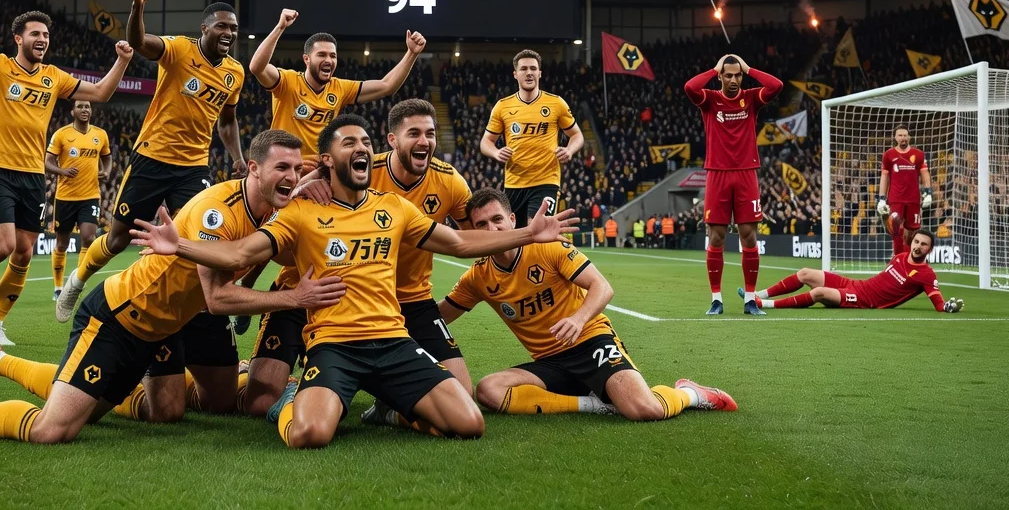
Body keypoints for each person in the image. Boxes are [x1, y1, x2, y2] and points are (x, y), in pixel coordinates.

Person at [128, 114, 581, 449]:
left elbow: (460, 243)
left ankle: (389, 406)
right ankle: (292, 400)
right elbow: (241, 253)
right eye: (349, 142)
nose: (362, 148)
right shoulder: (302, 212)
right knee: (309, 434)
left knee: (469, 424)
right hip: (334, 346)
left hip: (393, 342)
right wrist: (180, 245)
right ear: (327, 159)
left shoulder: (395, 208)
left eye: (366, 141)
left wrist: (530, 232)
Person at [0, 130, 342, 443]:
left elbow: (272, 246)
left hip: (168, 324)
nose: (291, 176)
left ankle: (5, 360)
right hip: (121, 319)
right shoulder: (215, 211)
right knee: (55, 430)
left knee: (177, 410)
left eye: (296, 168)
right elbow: (218, 298)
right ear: (253, 168)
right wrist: (294, 299)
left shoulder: (274, 209)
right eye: (282, 167)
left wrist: (313, 186)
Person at [440, 189, 737, 420]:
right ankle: (594, 405)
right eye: (482, 225)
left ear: (512, 220)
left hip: (590, 341)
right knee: (488, 391)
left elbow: (602, 287)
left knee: (644, 410)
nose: (491, 230)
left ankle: (689, 393)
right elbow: (440, 316)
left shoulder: (547, 247)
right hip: (550, 363)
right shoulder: (478, 276)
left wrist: (579, 319)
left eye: (497, 220)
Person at [0, 0, 134, 346]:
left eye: (46, 34)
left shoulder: (54, 76)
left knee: (24, 251)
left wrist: (123, 61)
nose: (42, 39)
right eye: (35, 33)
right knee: (1, 247)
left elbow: (100, 93)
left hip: (33, 175)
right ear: (18, 38)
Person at [57, 0, 245, 329]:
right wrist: (137, 6)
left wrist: (237, 156)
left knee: (203, 237)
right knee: (117, 239)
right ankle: (78, 279)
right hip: (152, 158)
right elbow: (141, 42)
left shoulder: (235, 73)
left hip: (194, 167)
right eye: (222, 26)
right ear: (205, 28)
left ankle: (219, 306)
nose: (229, 33)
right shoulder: (178, 49)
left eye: (233, 28)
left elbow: (228, 122)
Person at [287, 99, 475, 420]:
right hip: (345, 300)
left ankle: (387, 410)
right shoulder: (360, 167)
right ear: (391, 140)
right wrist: (310, 185)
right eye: (413, 133)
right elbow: (298, 190)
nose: (424, 142)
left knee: (464, 394)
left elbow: (470, 238)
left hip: (413, 300)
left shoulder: (450, 180)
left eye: (430, 134)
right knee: (269, 392)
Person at [249, 8, 427, 168]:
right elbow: (257, 67)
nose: (328, 60)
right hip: (286, 168)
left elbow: (387, 86)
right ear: (306, 59)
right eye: (321, 55)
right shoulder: (288, 82)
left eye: (333, 56)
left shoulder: (339, 88)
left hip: (319, 173)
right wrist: (280, 27)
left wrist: (411, 54)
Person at [684, 54, 782, 316]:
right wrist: (713, 67)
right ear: (720, 76)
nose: (734, 79)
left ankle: (750, 299)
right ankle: (716, 299)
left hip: (746, 174)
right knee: (716, 237)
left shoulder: (750, 99)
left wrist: (749, 68)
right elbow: (690, 88)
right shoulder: (710, 100)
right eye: (728, 75)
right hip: (717, 174)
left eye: (738, 75)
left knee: (749, 236)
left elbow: (776, 86)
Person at [480, 50, 583, 227]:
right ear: (515, 74)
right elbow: (485, 142)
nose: (529, 73)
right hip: (514, 183)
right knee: (514, 235)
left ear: (539, 73)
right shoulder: (503, 106)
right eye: (524, 69)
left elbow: (577, 135)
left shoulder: (556, 103)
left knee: (536, 227)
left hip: (546, 180)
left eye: (533, 68)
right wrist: (496, 153)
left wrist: (569, 150)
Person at [744, 230, 962, 312]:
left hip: (862, 299)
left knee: (820, 292)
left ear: (930, 249)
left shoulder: (927, 275)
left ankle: (764, 305)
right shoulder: (901, 256)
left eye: (923, 244)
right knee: (804, 273)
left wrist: (950, 307)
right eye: (916, 242)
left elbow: (939, 305)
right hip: (857, 284)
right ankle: (757, 295)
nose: (918, 246)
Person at [45, 101, 111, 301]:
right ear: (72, 111)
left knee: (89, 238)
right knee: (62, 244)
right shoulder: (61, 134)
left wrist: (106, 172)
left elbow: (107, 158)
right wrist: (62, 171)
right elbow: (47, 162)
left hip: (90, 195)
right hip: (65, 197)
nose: (85, 110)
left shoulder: (100, 135)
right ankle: (58, 288)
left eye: (88, 107)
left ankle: (77, 284)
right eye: (80, 106)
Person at [878, 126, 933, 257]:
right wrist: (881, 198)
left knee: (912, 233)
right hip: (895, 199)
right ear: (895, 138)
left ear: (909, 137)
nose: (903, 138)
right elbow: (884, 176)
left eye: (905, 135)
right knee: (896, 230)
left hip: (913, 200)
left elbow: (925, 174)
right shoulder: (888, 155)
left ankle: (909, 260)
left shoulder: (918, 154)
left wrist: (928, 192)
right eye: (900, 135)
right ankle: (898, 259)